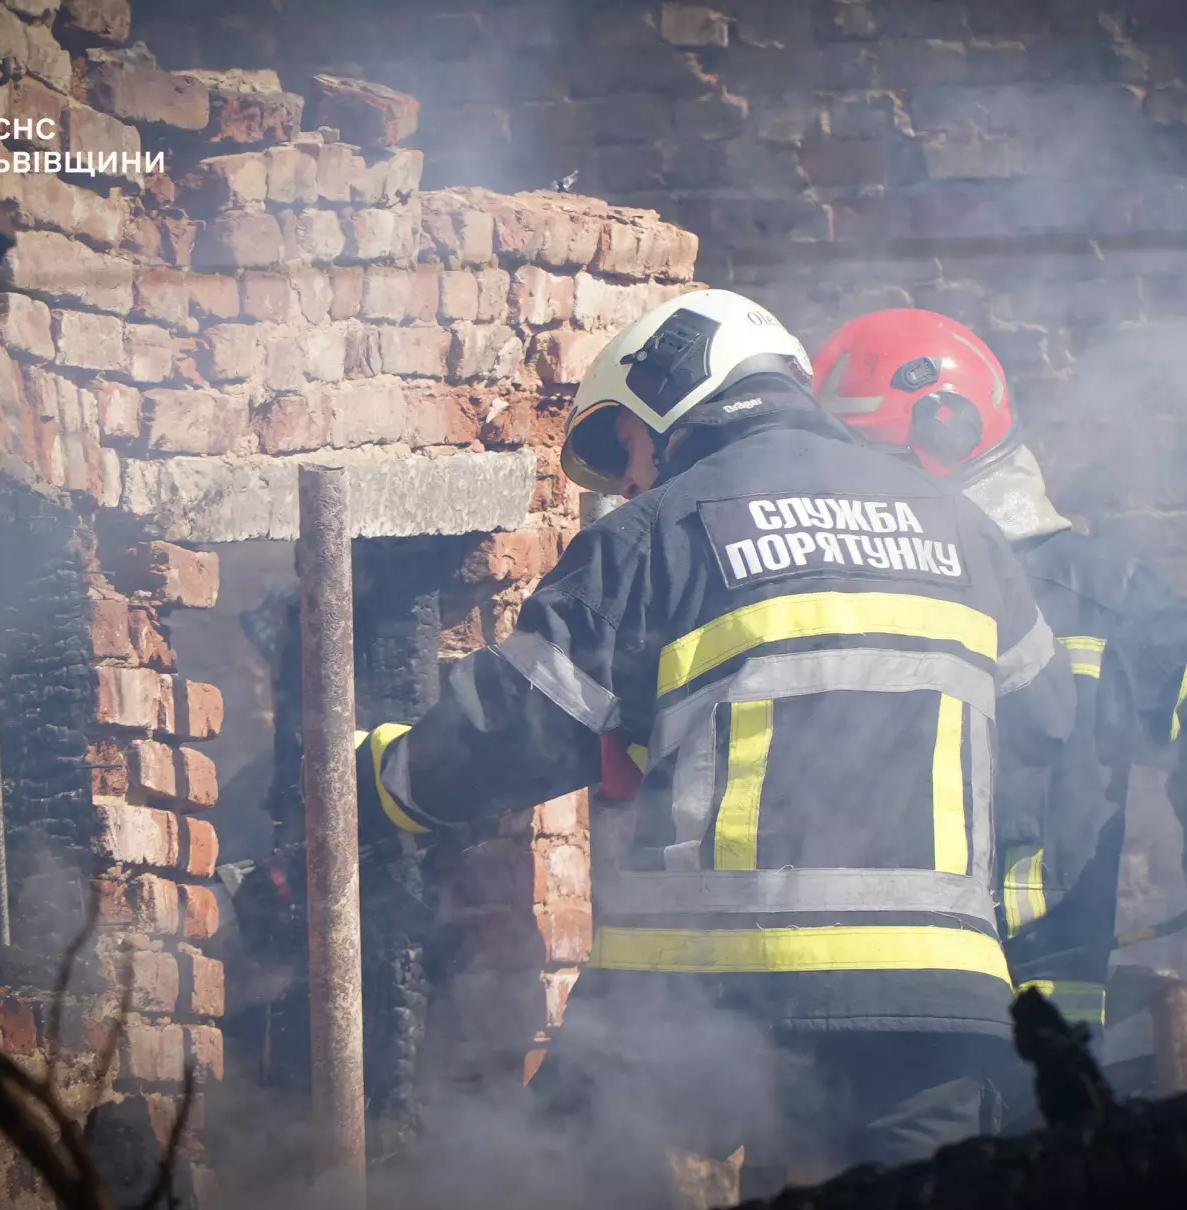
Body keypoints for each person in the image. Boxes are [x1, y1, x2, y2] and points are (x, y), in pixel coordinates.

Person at [355, 289, 1075, 1199]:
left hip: (712, 986)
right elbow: (1046, 724)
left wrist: (385, 779)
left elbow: (518, 724)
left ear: (674, 399)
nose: (624, 480)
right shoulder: (965, 531)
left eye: (624, 448)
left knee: (546, 1181)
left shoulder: (662, 534)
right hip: (939, 1003)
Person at [811, 308, 1187, 1048]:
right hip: (845, 1013)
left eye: (868, 459)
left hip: (1035, 1020)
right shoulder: (819, 591)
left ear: (945, 432)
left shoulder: (1095, 592)